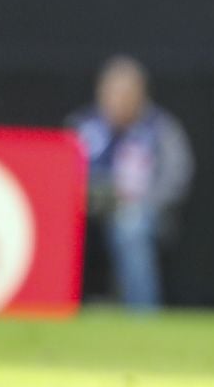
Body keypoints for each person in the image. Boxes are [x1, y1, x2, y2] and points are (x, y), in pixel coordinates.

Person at [72, 56, 195, 310]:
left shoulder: (160, 129)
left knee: (131, 225)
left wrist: (144, 202)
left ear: (141, 94)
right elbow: (61, 173)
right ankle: (51, 307)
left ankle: (141, 315)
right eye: (111, 92)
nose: (117, 100)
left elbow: (176, 177)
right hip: (87, 209)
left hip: (142, 209)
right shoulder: (83, 127)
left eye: (125, 93)